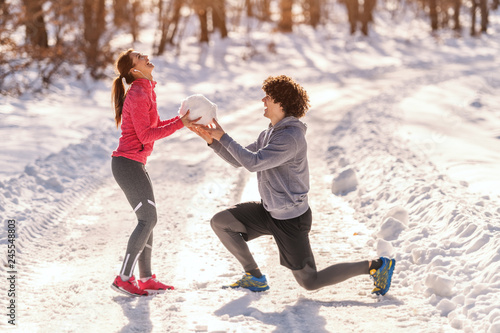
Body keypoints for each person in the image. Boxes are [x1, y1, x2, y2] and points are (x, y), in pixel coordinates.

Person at [191, 75, 395, 295]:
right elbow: (237, 160)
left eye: (268, 97)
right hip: (269, 211)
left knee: (310, 282)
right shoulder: (269, 133)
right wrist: (212, 139)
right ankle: (254, 276)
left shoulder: (290, 137)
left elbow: (253, 163)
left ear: (281, 103)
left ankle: (377, 266)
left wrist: (224, 136)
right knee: (221, 222)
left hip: (290, 219)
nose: (263, 101)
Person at [110, 49, 200, 296]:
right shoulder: (138, 93)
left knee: (149, 219)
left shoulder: (146, 90)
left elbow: (154, 126)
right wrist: (180, 123)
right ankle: (124, 277)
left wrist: (182, 120)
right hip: (127, 164)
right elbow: (146, 135)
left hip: (135, 164)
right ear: (133, 69)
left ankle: (146, 277)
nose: (146, 55)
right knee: (147, 219)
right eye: (139, 56)